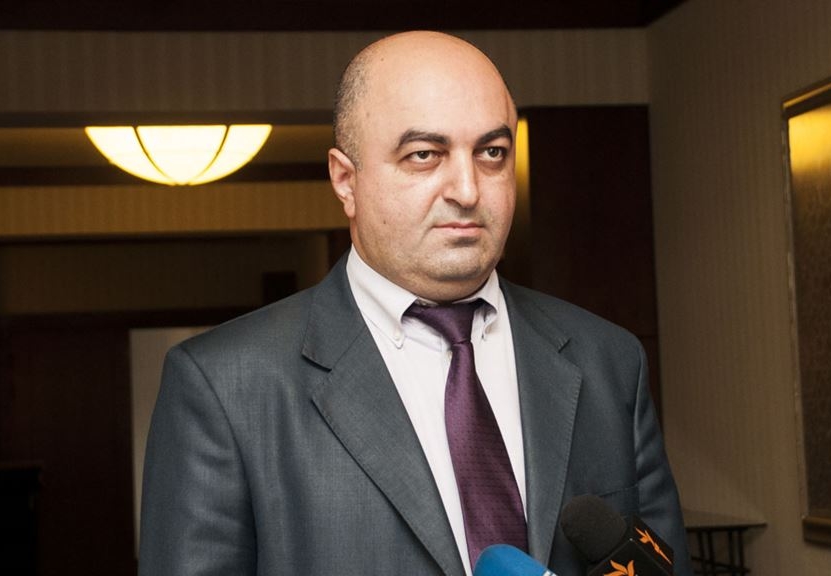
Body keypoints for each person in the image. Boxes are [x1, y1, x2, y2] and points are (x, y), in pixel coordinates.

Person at [138, 30, 692, 576]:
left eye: (492, 153)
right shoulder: (224, 386)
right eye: (425, 155)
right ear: (345, 180)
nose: (468, 190)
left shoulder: (609, 361)